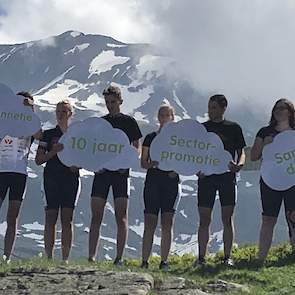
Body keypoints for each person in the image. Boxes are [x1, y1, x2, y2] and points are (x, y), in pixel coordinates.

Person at [88, 85, 142, 265]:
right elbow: (93, 147)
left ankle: (119, 258)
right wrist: (96, 165)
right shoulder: (99, 123)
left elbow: (137, 147)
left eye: (113, 102)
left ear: (120, 101)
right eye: (107, 102)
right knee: (96, 215)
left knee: (121, 216)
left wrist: (125, 164)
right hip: (102, 173)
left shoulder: (129, 122)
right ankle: (91, 257)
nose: (110, 105)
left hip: (121, 174)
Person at [195, 94, 246, 267]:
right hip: (206, 178)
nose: (210, 111)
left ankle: (227, 257)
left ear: (224, 108)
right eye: (209, 107)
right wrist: (196, 170)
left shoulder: (234, 128)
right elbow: (193, 154)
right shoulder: (202, 129)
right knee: (204, 219)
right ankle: (201, 258)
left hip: (227, 176)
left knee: (227, 218)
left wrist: (239, 164)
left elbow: (242, 152)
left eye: (214, 107)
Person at [35, 100, 80, 263]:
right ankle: (49, 258)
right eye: (58, 111)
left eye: (64, 111)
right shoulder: (48, 134)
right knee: (50, 217)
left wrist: (78, 165)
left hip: (71, 179)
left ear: (71, 114)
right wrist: (53, 152)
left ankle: (65, 259)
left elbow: (85, 157)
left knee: (67, 218)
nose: (60, 114)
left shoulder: (77, 135)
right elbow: (38, 160)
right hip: (51, 179)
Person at [251, 98, 295, 263]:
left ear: (290, 112)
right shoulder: (264, 132)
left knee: (293, 217)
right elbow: (254, 156)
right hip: (270, 180)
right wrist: (265, 145)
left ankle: (293, 256)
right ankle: (261, 259)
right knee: (268, 218)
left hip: (292, 180)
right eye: (276, 108)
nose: (278, 111)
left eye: (282, 108)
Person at [0, 91, 41, 263]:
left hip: (20, 173)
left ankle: (7, 257)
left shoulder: (30, 124)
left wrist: (30, 110)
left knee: (13, 216)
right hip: (1, 170)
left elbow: (40, 135)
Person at [140, 104, 180, 271]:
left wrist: (175, 170)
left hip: (171, 182)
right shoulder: (150, 137)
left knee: (167, 222)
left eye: (167, 115)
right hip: (153, 181)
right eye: (161, 115)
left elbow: (184, 160)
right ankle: (145, 261)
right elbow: (143, 162)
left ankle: (164, 261)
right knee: (150, 222)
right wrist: (151, 164)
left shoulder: (179, 138)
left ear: (172, 117)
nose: (164, 118)